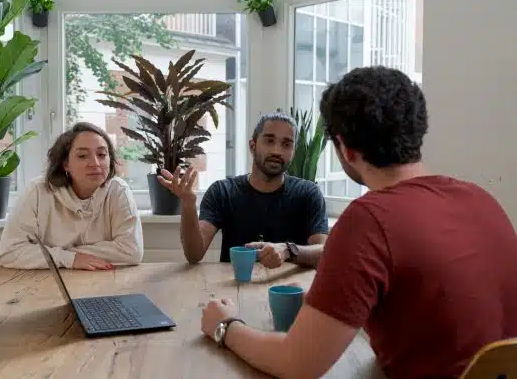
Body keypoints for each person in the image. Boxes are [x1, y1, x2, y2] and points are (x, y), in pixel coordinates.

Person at [198, 66, 517, 378]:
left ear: (346, 150)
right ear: (417, 131)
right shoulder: (481, 199)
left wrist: (225, 326)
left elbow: (295, 364)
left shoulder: (368, 221)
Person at [159, 113, 329, 269]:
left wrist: (288, 250)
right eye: (269, 141)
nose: (277, 151)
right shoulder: (222, 191)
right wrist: (188, 205)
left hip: (288, 292)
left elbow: (324, 253)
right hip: (233, 291)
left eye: (286, 144)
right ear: (252, 146)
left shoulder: (308, 194)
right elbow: (194, 255)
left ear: (293, 151)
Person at [0, 122, 144, 270]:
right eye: (82, 156)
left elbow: (131, 251)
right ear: (65, 164)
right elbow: (9, 252)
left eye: (102, 155)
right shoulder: (38, 191)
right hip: (45, 283)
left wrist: (60, 254)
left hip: (104, 280)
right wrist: (69, 259)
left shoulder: (118, 190)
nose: (95, 163)